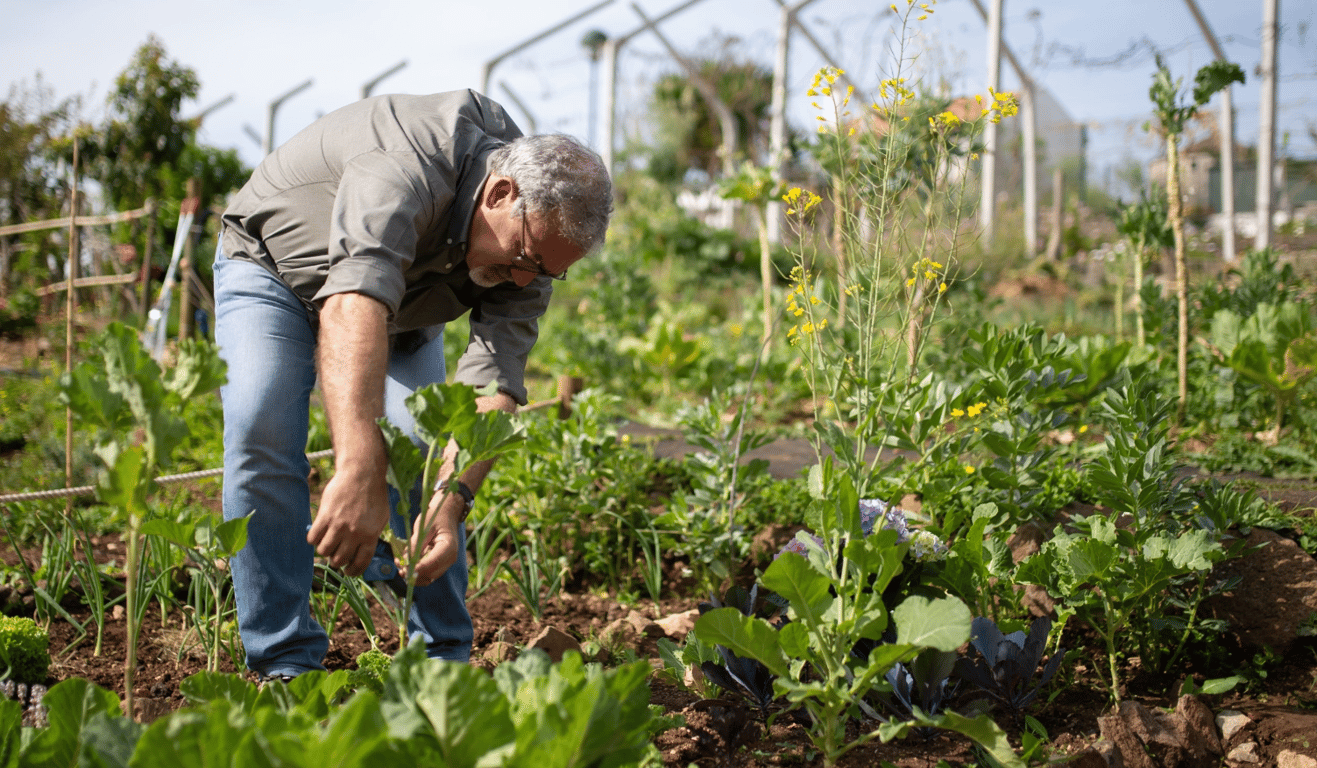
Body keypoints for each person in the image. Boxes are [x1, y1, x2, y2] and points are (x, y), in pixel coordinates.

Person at [213, 89, 612, 678]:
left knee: (423, 452)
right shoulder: (407, 163)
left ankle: (441, 663)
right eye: (526, 255)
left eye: (546, 271)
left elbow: (493, 387)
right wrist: (357, 467)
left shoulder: (531, 253)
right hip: (276, 268)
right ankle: (285, 663)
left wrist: (450, 509)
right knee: (261, 424)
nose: (526, 278)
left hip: (403, 306)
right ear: (499, 193)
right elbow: (353, 304)